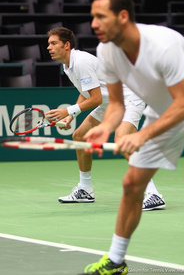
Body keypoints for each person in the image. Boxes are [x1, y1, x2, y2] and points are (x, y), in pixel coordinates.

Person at [78, 0, 184, 275]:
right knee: (132, 184)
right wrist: (106, 128)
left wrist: (141, 135)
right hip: (162, 110)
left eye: (100, 16)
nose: (93, 24)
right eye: (92, 17)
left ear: (122, 16)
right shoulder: (106, 50)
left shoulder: (162, 45)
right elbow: (117, 105)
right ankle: (116, 261)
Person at [45, 27, 165, 211]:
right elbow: (86, 92)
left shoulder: (81, 61)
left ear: (66, 45)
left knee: (122, 140)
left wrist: (68, 110)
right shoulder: (68, 65)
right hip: (110, 103)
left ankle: (153, 193)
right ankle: (85, 190)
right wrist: (71, 115)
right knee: (80, 136)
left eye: (53, 43)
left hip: (129, 98)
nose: (49, 47)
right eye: (49, 44)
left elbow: (96, 98)